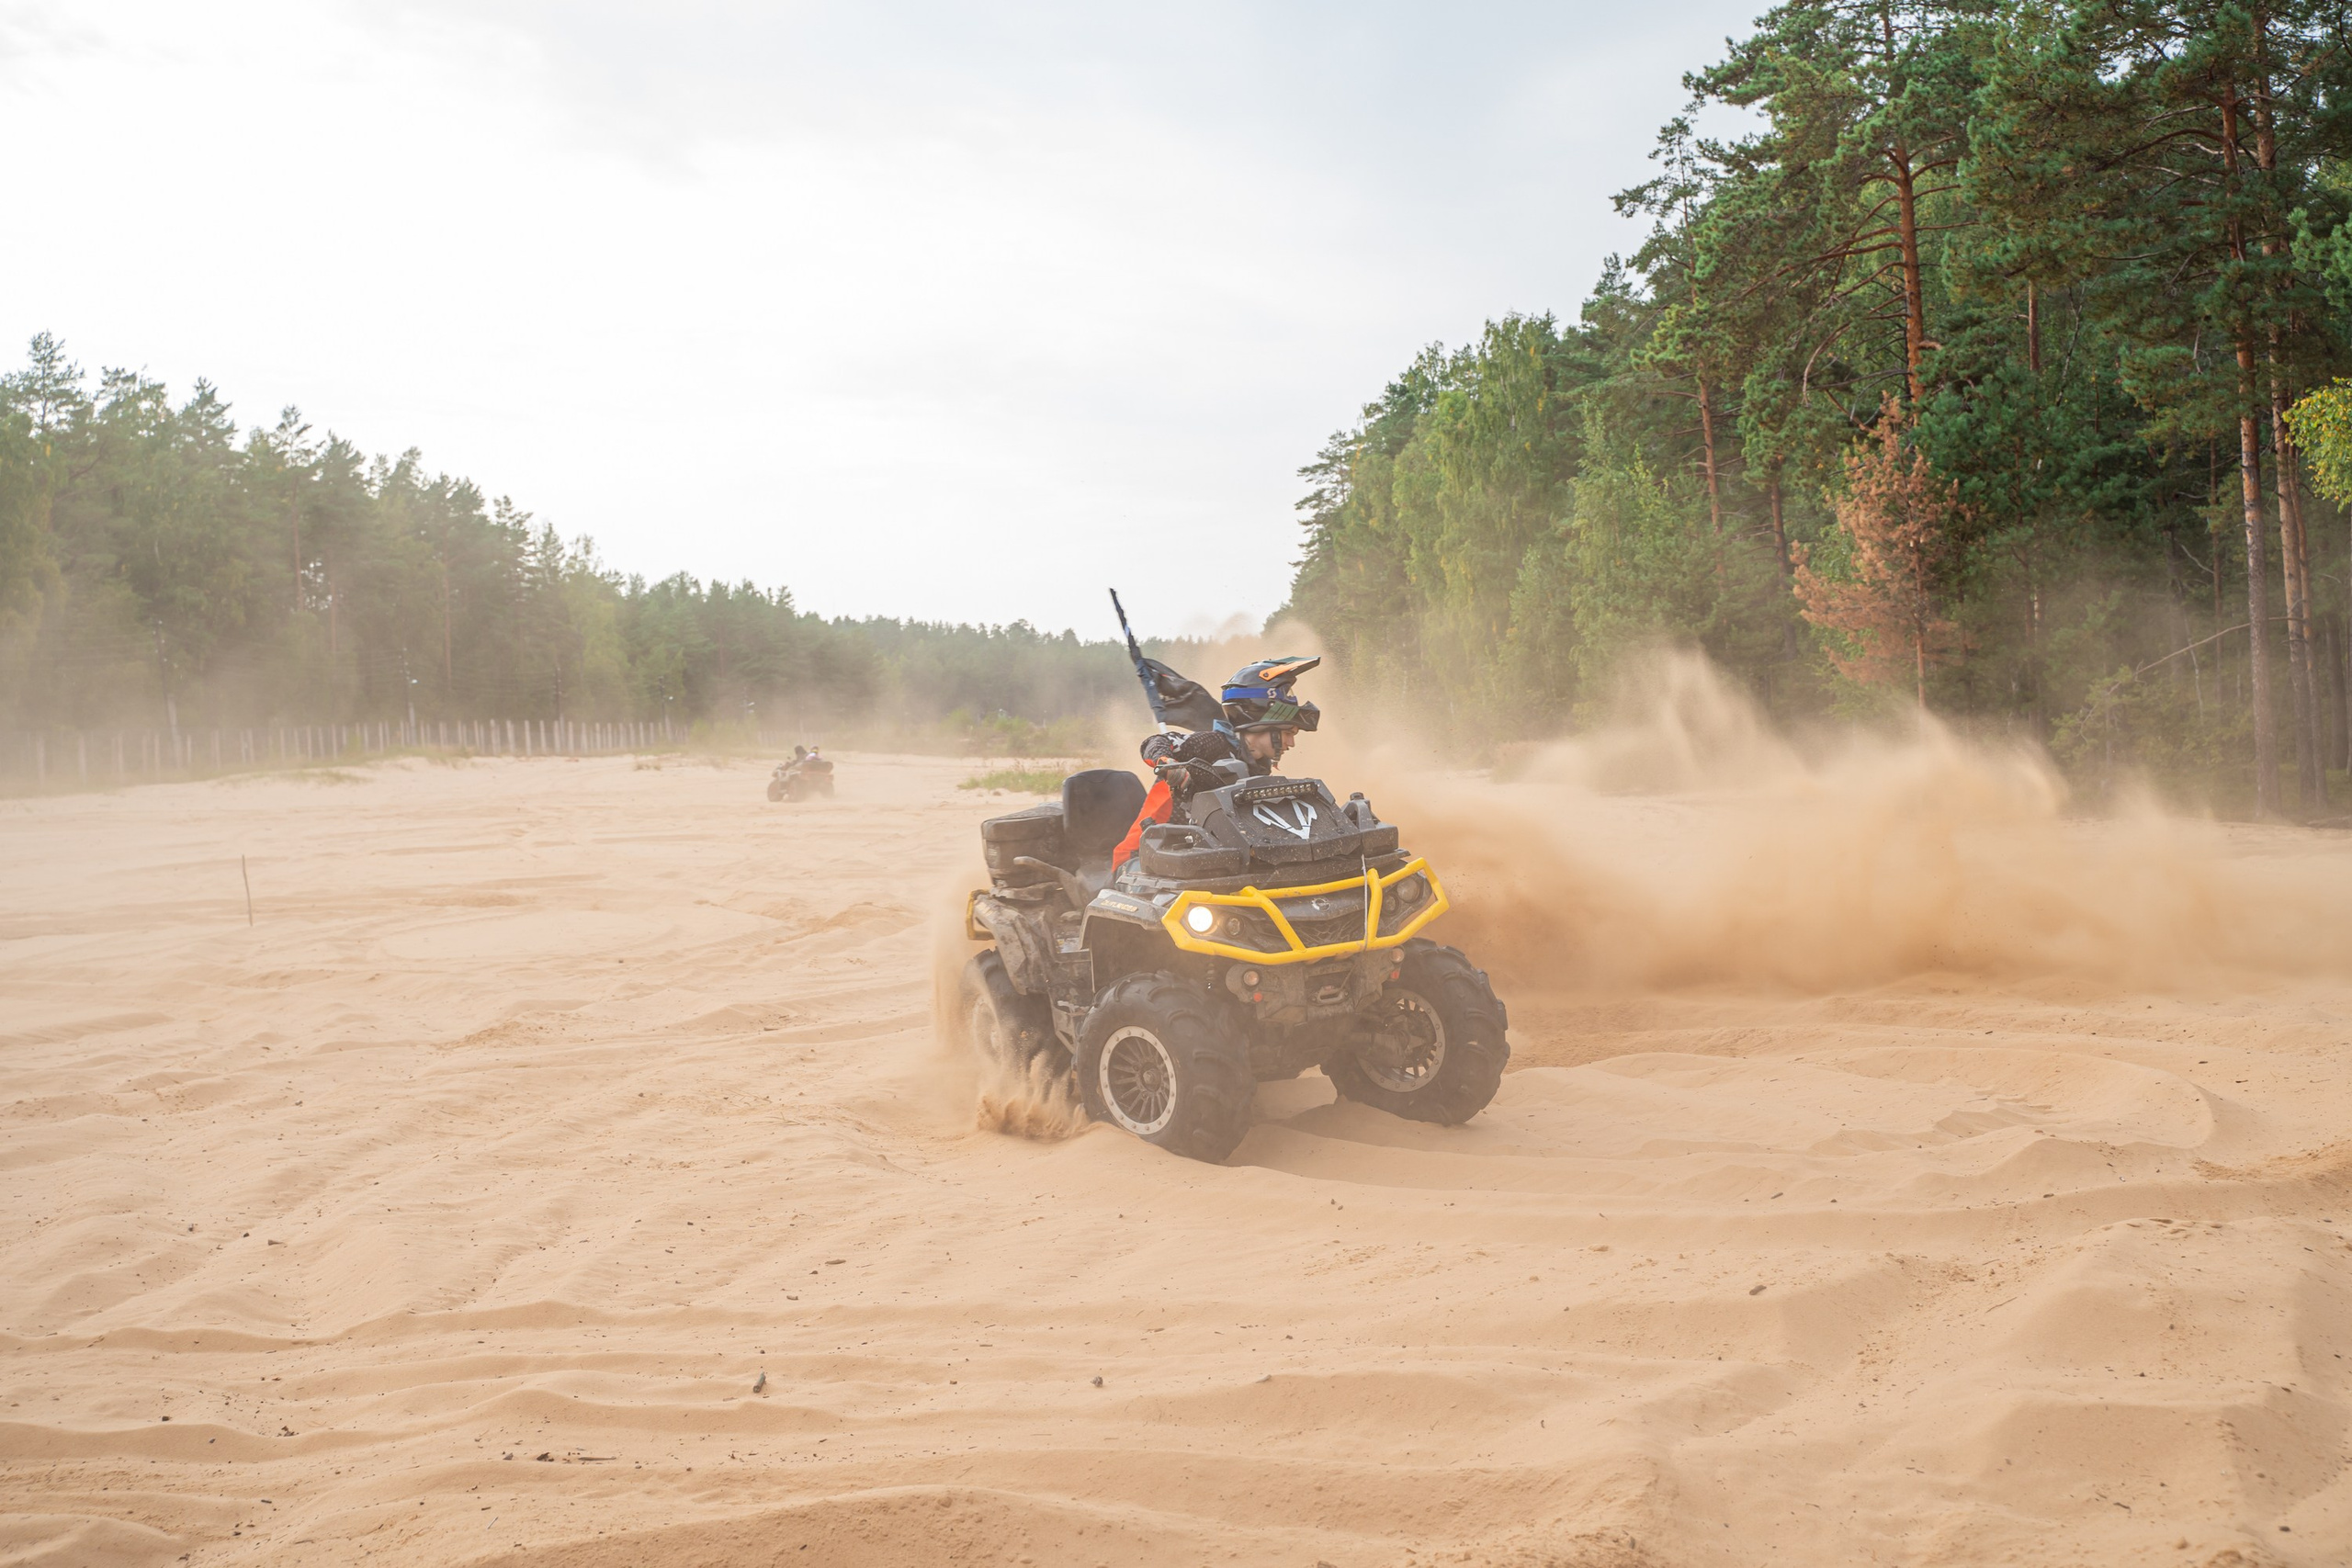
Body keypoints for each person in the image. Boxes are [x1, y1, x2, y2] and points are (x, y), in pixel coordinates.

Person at [1111, 656, 1321, 868]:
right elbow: (1155, 742)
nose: (1291, 743)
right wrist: (1168, 764)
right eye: (1288, 733)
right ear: (1263, 724)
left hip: (1198, 856)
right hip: (1143, 856)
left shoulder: (1258, 766)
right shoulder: (1213, 743)